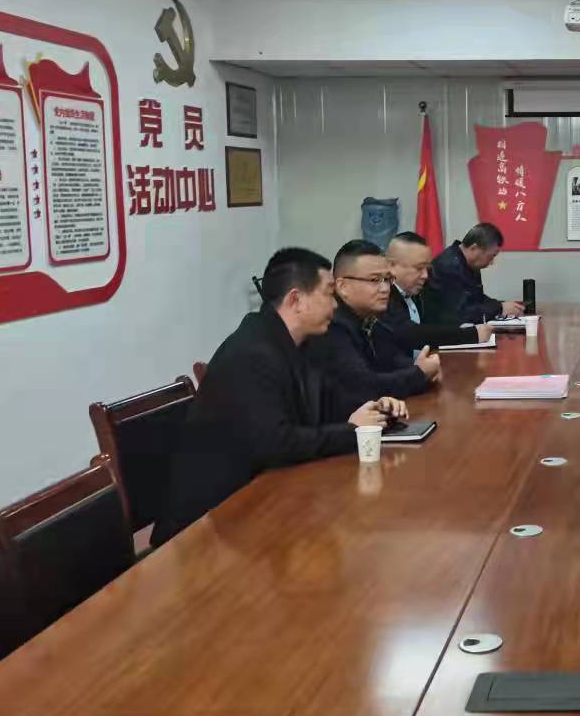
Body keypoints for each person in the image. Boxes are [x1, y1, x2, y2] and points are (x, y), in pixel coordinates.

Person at [153, 248, 408, 546]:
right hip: (210, 527)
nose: (334, 305)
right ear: (295, 300)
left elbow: (329, 403)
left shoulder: (295, 343)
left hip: (263, 501)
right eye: (328, 294)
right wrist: (353, 431)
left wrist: (376, 411)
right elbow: (277, 443)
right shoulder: (252, 354)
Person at [303, 240, 442, 403]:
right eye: (375, 280)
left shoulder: (369, 317)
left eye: (387, 279)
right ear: (342, 286)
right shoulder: (330, 326)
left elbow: (391, 359)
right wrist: (419, 374)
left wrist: (424, 369)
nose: (385, 289)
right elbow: (365, 388)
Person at [382, 230, 490, 352]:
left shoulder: (416, 292)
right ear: (391, 266)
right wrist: (470, 335)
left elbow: (436, 320)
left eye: (427, 268)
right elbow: (413, 333)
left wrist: (460, 327)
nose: (425, 275)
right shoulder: (382, 296)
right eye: (419, 268)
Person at [420, 222, 524, 325]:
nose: (492, 262)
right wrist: (500, 308)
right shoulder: (449, 266)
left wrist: (503, 306)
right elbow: (461, 314)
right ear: (474, 248)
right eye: (492, 256)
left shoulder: (469, 263)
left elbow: (478, 299)